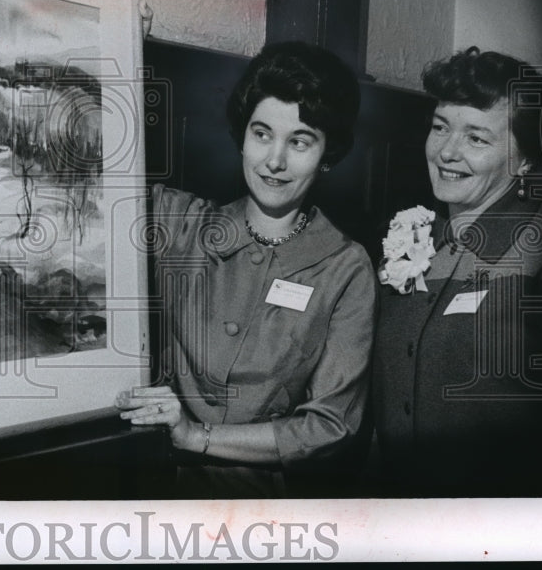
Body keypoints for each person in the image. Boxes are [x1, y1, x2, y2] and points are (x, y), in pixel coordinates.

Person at [115, 41, 376, 498]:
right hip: (154, 493)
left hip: (266, 512)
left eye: (299, 141)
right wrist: (121, 40)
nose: (275, 161)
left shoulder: (345, 268)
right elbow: (95, 168)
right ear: (242, 135)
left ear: (328, 153)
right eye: (262, 134)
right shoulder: (180, 224)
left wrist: (196, 436)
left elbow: (330, 427)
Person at [372, 47, 542, 497]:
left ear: (525, 160)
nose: (446, 151)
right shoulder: (405, 241)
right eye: (440, 127)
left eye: (476, 138)